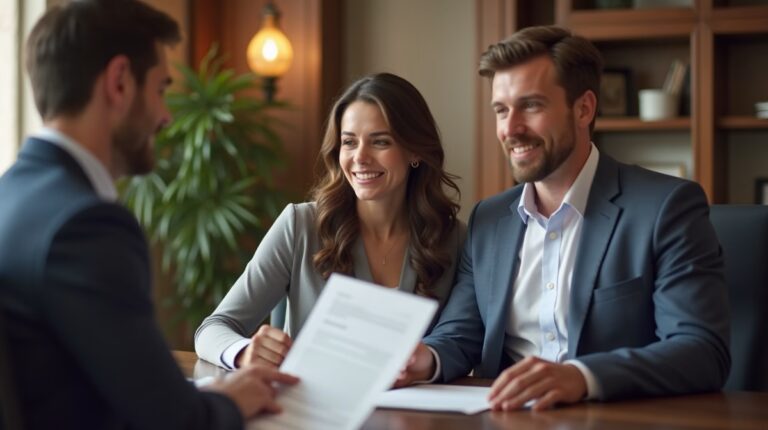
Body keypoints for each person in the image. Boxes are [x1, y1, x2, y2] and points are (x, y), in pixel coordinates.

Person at [396, 25, 730, 411]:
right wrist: (427, 359)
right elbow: (462, 333)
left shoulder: (666, 207)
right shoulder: (488, 219)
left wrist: (581, 377)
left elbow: (702, 351)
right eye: (501, 110)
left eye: (531, 106)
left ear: (584, 108)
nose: (511, 128)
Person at [0, 1, 298, 429]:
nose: (166, 116)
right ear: (120, 82)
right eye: (160, 89)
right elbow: (177, 422)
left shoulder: (11, 196)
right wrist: (237, 397)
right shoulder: (85, 227)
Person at [195, 72, 466, 370]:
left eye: (380, 142)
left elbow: (460, 344)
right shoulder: (299, 225)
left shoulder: (453, 238)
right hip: (309, 410)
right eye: (349, 142)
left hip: (413, 415)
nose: (360, 157)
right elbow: (213, 329)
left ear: (414, 150)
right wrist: (244, 352)